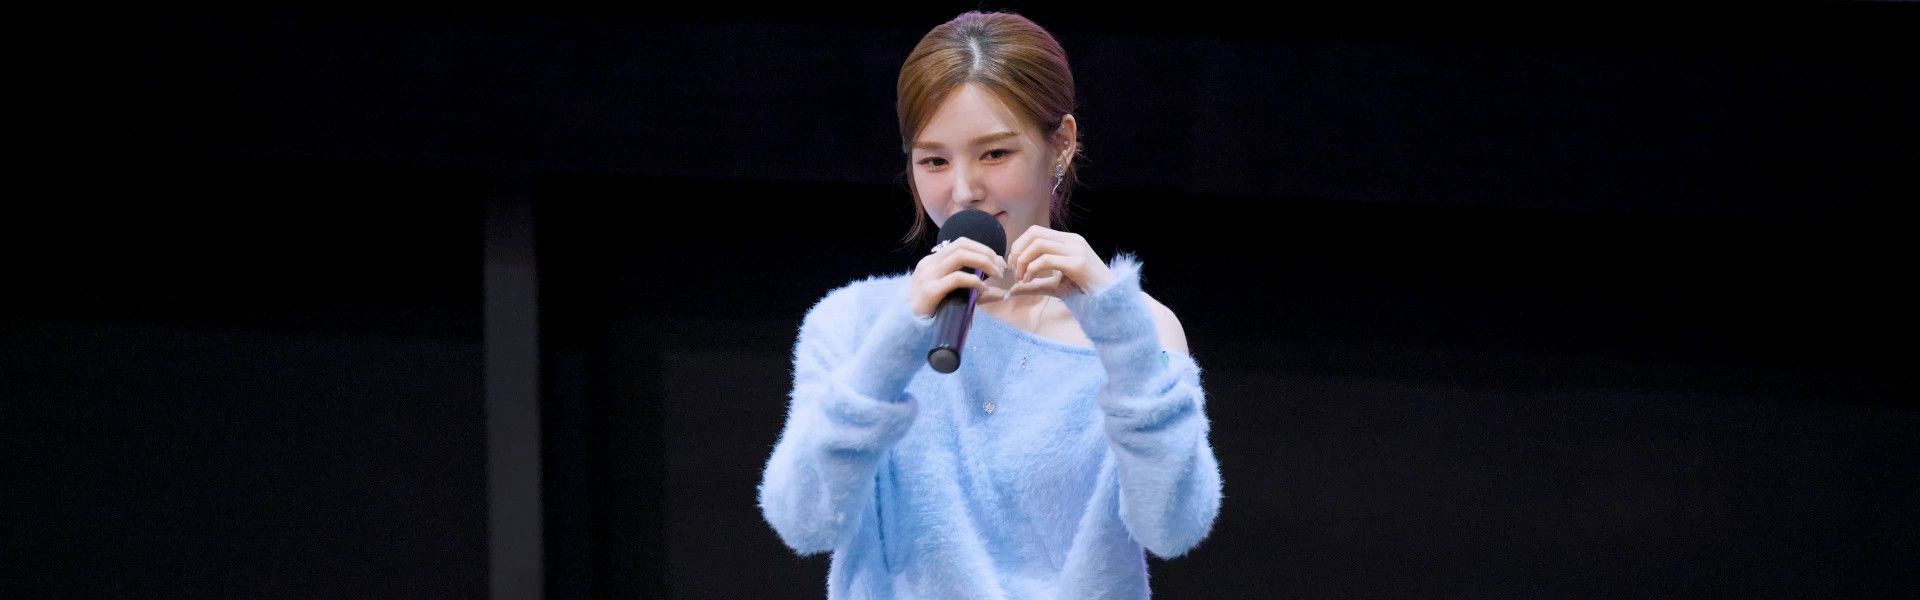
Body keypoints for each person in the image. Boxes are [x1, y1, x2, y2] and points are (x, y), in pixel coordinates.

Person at [757, 10, 1221, 599]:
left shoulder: (1136, 329)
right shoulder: (854, 323)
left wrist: (1118, 331)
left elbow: (1173, 528)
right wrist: (895, 343)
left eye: (994, 154)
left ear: (1061, 145)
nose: (963, 190)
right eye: (934, 161)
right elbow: (803, 523)